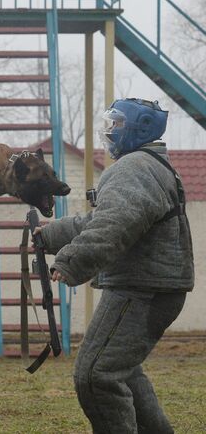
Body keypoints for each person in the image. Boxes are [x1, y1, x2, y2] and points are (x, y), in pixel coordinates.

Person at [37, 98, 194, 434]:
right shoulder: (149, 165)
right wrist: (51, 235)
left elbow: (115, 223)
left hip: (141, 290)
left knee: (96, 376)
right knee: (120, 370)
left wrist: (72, 260)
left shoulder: (134, 168)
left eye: (118, 125)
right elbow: (102, 219)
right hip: (154, 288)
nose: (110, 132)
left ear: (139, 129)